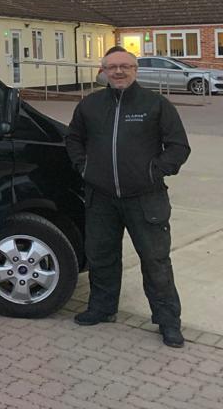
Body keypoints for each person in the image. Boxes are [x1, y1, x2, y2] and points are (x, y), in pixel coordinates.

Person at [66, 46, 191, 347]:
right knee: (102, 257)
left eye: (125, 66)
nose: (119, 71)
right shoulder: (90, 105)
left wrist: (154, 171)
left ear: (135, 70)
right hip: (101, 198)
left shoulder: (155, 104)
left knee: (155, 261)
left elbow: (178, 146)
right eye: (112, 67)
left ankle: (168, 321)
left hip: (146, 199)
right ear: (103, 71)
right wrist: (84, 167)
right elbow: (73, 139)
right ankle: (102, 308)